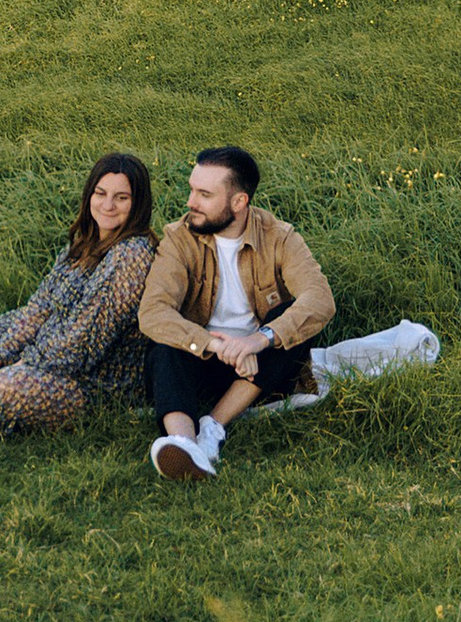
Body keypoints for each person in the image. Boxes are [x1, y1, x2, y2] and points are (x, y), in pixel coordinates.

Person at [138, 144, 334, 484]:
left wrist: (256, 342)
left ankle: (212, 427)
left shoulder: (279, 237)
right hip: (200, 357)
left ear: (239, 202)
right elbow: (153, 311)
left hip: (256, 368)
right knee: (166, 341)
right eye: (191, 189)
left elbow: (320, 299)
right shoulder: (179, 238)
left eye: (204, 194)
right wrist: (217, 345)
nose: (190, 202)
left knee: (295, 321)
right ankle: (183, 445)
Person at [0, 153, 157, 439]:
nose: (108, 205)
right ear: (90, 195)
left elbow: (82, 343)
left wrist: (15, 362)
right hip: (46, 349)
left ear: (137, 204)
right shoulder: (84, 242)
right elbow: (39, 308)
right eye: (101, 193)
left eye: (121, 198)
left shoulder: (131, 255)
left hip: (90, 381)